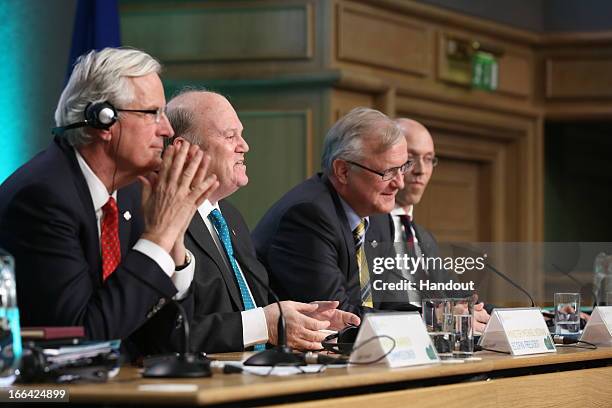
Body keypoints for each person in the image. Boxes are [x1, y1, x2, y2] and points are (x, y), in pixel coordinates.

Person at [0, 48, 218, 356]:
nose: (167, 130)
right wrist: (158, 237)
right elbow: (85, 339)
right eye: (152, 113)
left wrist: (175, 245)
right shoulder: (42, 199)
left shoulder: (130, 192)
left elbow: (165, 343)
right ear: (103, 120)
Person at [166, 90, 360, 352]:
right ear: (186, 150)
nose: (244, 146)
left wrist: (307, 322)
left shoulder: (230, 216)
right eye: (230, 136)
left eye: (241, 135)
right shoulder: (163, 218)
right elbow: (169, 330)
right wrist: (265, 326)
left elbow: (259, 307)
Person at [253, 107, 414, 316]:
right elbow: (337, 317)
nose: (400, 183)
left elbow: (393, 301)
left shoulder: (380, 218)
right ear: (343, 171)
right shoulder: (307, 216)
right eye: (388, 172)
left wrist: (437, 315)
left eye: (403, 167)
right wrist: (413, 326)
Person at [392, 118, 490, 331]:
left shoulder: (424, 238)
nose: (421, 170)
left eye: (428, 160)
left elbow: (458, 297)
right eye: (409, 159)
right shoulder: (364, 229)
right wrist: (439, 316)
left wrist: (543, 319)